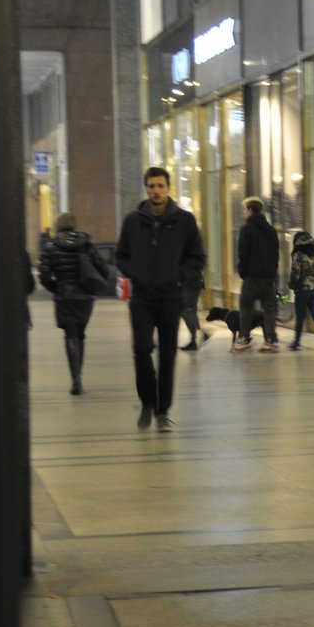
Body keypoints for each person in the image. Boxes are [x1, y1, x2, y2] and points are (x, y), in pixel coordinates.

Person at [115, 166, 205, 430]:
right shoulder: (133, 221)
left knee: (167, 356)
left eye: (160, 186)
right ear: (146, 188)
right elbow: (121, 256)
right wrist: (136, 272)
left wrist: (178, 276)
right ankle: (147, 403)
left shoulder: (185, 221)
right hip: (142, 298)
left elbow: (198, 257)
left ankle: (162, 411)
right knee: (141, 351)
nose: (156, 191)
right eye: (152, 186)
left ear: (168, 188)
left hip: (170, 297)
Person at [37, 213, 111, 394]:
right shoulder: (86, 244)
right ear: (73, 225)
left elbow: (44, 276)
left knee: (70, 336)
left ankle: (76, 378)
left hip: (64, 298)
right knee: (80, 334)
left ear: (57, 225)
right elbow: (104, 269)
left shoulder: (51, 247)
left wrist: (57, 287)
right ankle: (79, 374)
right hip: (85, 299)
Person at [233, 195, 280, 353]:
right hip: (268, 278)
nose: (244, 213)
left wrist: (243, 271)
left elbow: (243, 253)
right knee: (269, 309)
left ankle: (244, 339)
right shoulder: (271, 230)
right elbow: (276, 254)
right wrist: (272, 272)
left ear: (249, 210)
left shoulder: (246, 229)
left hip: (252, 277)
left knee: (246, 307)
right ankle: (271, 341)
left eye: (244, 210)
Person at [178, 266, 205, 352]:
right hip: (193, 279)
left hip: (191, 281)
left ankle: (195, 339)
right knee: (191, 309)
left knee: (187, 310)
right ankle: (201, 334)